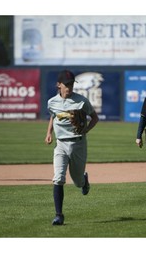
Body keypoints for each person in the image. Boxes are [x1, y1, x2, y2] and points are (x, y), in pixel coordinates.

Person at [45, 70, 99, 225]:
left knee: (77, 182)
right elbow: (53, 116)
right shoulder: (52, 102)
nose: (69, 87)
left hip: (78, 143)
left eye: (71, 84)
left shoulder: (81, 101)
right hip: (60, 144)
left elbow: (95, 117)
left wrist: (86, 129)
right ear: (59, 85)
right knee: (58, 178)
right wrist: (49, 132)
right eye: (66, 84)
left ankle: (84, 181)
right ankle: (59, 215)